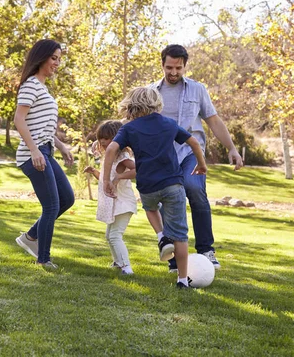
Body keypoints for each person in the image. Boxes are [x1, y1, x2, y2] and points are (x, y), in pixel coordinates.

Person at [103, 87, 207, 289]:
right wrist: (201, 164)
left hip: (148, 186)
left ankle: (161, 236)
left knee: (150, 208)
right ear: (156, 103)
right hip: (173, 184)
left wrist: (107, 179)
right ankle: (183, 280)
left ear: (132, 105)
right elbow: (194, 142)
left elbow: (111, 150)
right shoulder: (168, 123)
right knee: (181, 235)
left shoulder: (129, 128)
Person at [153, 44, 244, 271]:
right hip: (164, 156)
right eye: (169, 67)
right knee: (170, 200)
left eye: (178, 68)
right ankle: (175, 258)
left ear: (185, 66)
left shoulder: (197, 89)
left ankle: (206, 250)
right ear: (162, 64)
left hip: (192, 152)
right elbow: (137, 123)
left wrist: (231, 148)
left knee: (194, 188)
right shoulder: (151, 92)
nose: (173, 72)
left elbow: (213, 120)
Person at [13, 39, 75, 270]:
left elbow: (42, 127)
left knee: (67, 199)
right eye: (53, 58)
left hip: (45, 151)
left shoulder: (42, 88)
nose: (57, 63)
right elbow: (19, 120)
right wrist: (34, 150)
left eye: (59, 59)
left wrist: (60, 145)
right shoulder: (30, 85)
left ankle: (29, 237)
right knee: (51, 206)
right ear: (41, 58)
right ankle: (43, 258)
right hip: (33, 154)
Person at [84, 121, 137, 275]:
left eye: (106, 138)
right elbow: (105, 179)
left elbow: (138, 170)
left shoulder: (123, 157)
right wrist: (94, 171)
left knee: (115, 235)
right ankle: (118, 262)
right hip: (115, 203)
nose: (102, 142)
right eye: (100, 138)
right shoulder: (110, 158)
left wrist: (120, 177)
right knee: (109, 235)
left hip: (123, 203)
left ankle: (126, 268)